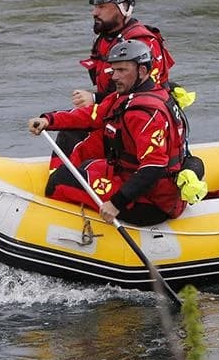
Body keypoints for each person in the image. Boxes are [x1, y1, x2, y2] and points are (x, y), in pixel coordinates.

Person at [29, 40, 191, 225]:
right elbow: (92, 115)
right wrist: (49, 120)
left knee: (59, 181)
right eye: (113, 70)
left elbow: (154, 167)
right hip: (130, 178)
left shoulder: (144, 114)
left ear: (142, 71)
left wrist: (116, 203)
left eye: (122, 70)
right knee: (86, 165)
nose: (114, 76)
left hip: (151, 202)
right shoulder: (131, 95)